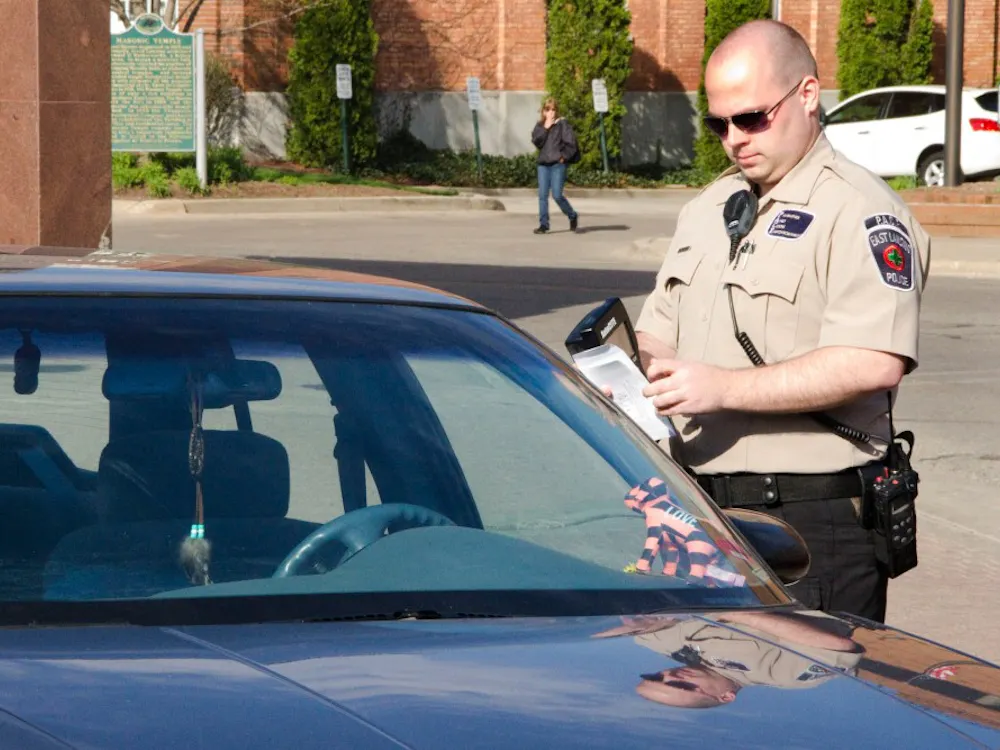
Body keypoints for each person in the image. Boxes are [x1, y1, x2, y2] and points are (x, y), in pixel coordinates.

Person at [632, 19, 931, 623]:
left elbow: (873, 361)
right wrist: (623, 375)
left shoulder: (860, 209)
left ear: (807, 94)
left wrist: (722, 388)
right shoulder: (709, 207)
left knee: (809, 687)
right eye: (719, 124)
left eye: (751, 118)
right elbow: (655, 332)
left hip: (808, 522)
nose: (734, 140)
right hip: (697, 511)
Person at [593, 611, 865, 709]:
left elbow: (600, 631)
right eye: (681, 687)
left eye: (656, 677)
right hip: (807, 586)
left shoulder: (672, 648)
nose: (670, 676)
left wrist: (644, 622)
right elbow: (838, 647)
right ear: (726, 697)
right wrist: (729, 613)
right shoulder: (779, 674)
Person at [531, 98, 580, 234]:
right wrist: (546, 128)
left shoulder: (563, 124)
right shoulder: (540, 126)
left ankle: (572, 215)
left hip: (558, 164)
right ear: (543, 112)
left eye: (553, 109)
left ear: (557, 111)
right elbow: (536, 141)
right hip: (543, 165)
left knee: (557, 195)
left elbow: (571, 144)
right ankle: (544, 225)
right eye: (548, 109)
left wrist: (563, 157)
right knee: (542, 196)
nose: (551, 112)